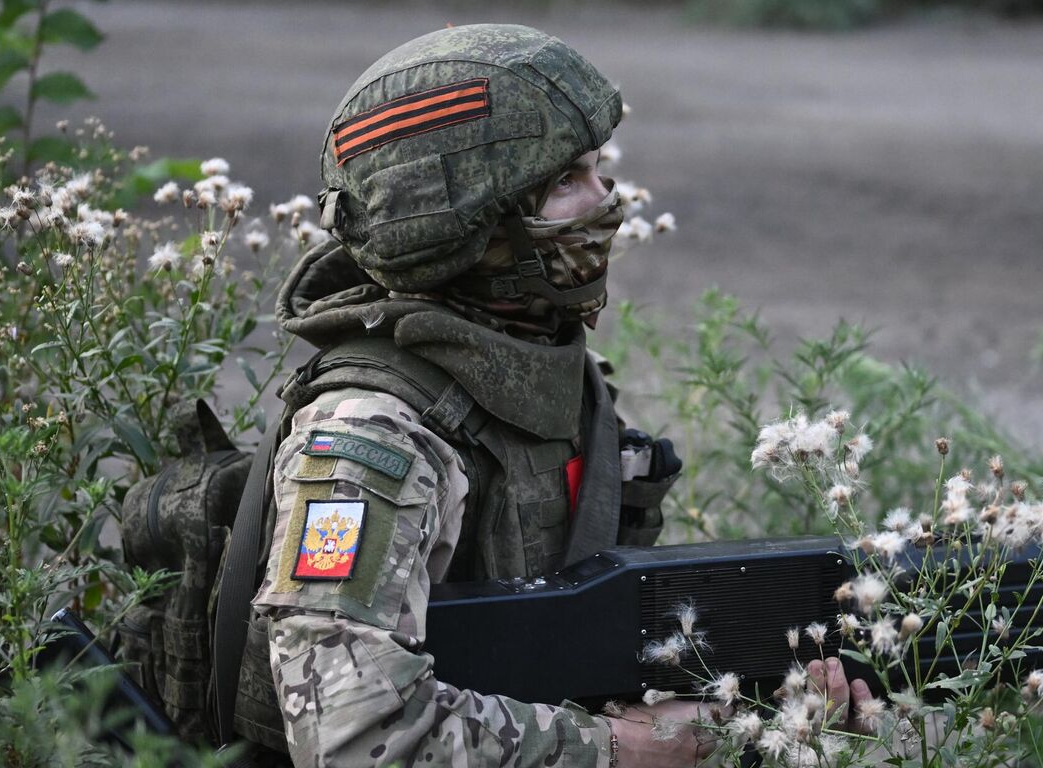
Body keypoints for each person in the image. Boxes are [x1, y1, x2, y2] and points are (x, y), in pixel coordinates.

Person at [240, 24, 871, 768]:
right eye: (567, 181)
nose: (607, 200)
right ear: (469, 226)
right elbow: (352, 737)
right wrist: (616, 752)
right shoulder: (371, 437)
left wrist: (761, 710)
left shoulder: (541, 374)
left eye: (599, 170)